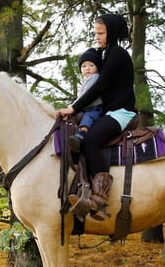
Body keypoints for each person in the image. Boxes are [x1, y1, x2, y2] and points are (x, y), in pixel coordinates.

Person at [56, 13, 137, 221]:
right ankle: (82, 188)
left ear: (112, 32)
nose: (97, 37)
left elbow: (100, 86)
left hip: (122, 112)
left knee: (91, 140)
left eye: (101, 33)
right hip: (107, 111)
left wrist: (74, 108)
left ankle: (100, 199)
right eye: (95, 33)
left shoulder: (117, 54)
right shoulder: (105, 54)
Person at [68, 47, 104, 153]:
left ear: (97, 67)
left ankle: (80, 135)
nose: (87, 68)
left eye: (91, 65)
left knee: (87, 119)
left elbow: (85, 96)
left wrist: (72, 107)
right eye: (84, 66)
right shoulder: (87, 80)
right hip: (87, 109)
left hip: (94, 109)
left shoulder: (94, 78)